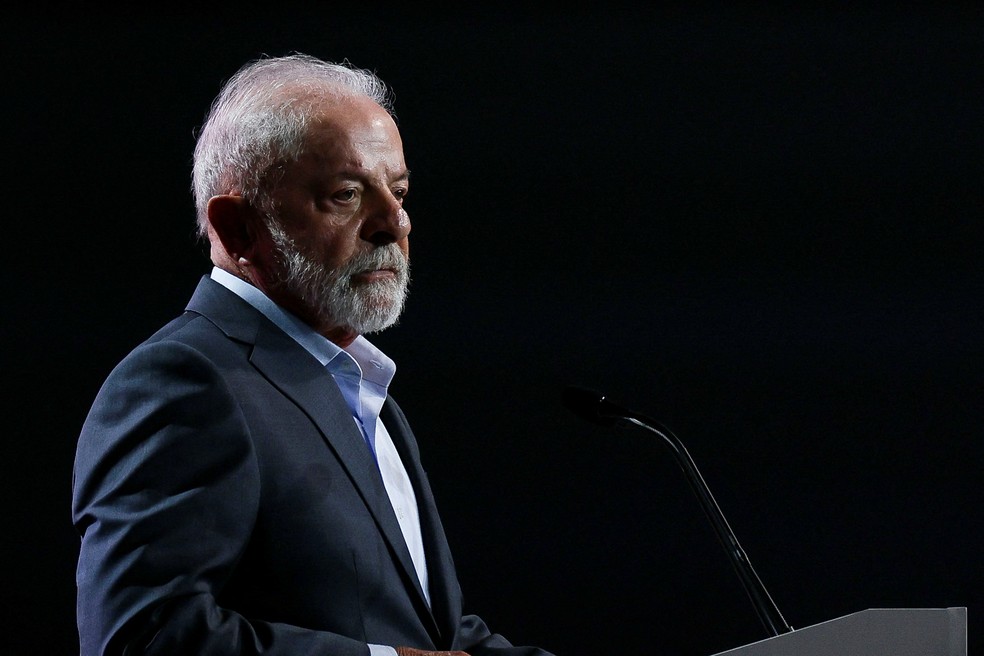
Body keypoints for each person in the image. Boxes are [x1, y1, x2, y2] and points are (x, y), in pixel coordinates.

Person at [72, 52, 556, 656]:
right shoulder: (185, 382)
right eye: (347, 194)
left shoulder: (363, 391)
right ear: (239, 228)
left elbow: (434, 636)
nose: (395, 221)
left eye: (399, 191)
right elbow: (138, 638)